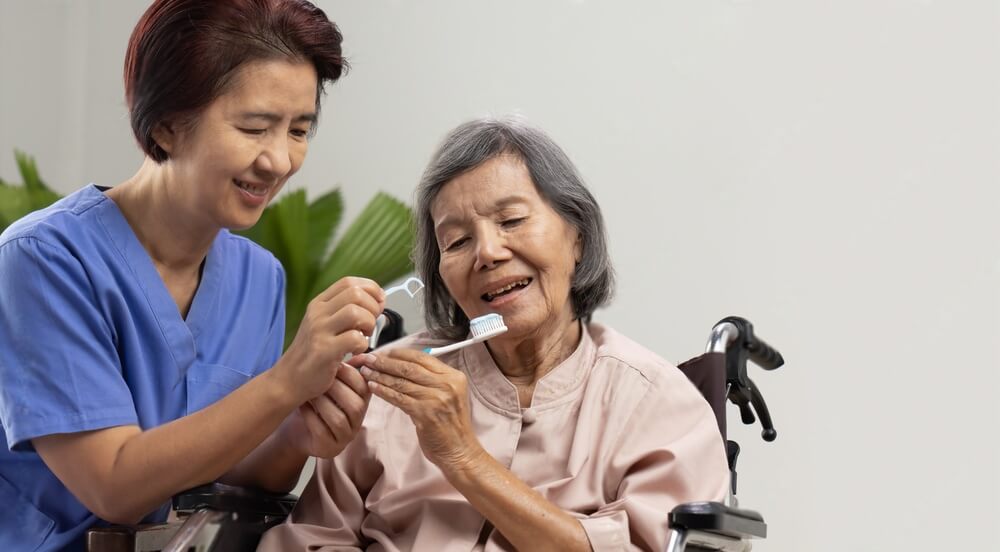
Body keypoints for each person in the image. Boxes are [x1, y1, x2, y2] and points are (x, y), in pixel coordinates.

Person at [0, 1, 383, 550]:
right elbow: (114, 486)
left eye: (299, 130)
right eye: (254, 127)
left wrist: (297, 435)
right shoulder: (43, 259)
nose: (279, 160)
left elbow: (230, 477)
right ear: (166, 125)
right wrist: (285, 383)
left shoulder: (259, 277)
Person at [259, 116, 730, 551]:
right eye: (457, 241)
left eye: (511, 220)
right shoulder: (387, 389)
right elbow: (315, 538)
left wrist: (463, 456)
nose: (487, 252)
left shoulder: (657, 402)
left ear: (578, 237)